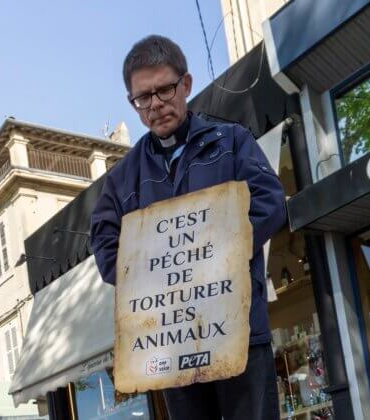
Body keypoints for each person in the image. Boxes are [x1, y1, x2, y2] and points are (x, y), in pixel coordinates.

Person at [90, 35, 286, 420]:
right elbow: (105, 247)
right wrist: (152, 275)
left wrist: (211, 257)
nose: (156, 105)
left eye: (164, 90)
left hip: (239, 333)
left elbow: (271, 203)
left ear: (186, 84)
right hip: (169, 348)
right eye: (143, 98)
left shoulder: (232, 142)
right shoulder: (120, 180)